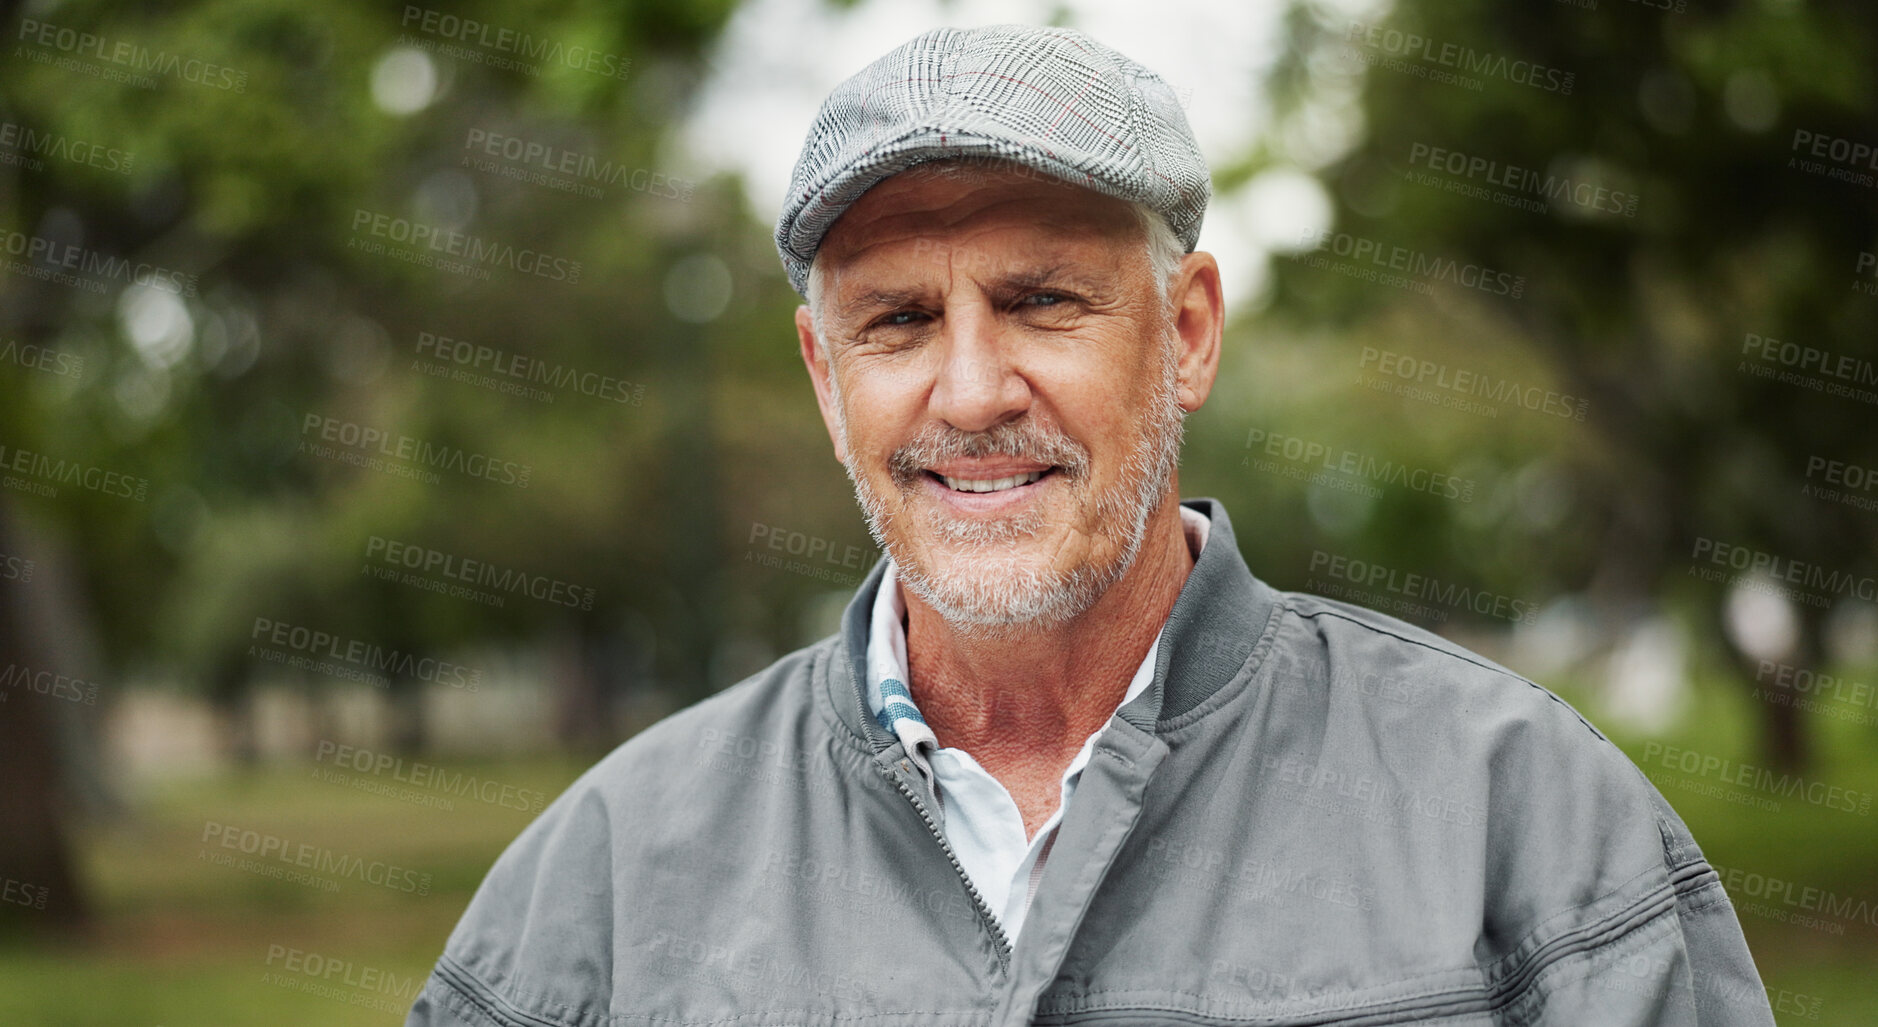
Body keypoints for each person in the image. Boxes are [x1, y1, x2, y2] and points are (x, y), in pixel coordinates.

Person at [408, 23, 1774, 1027]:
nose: (972, 390)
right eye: (895, 321)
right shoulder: (606, 876)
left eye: (1043, 300)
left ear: (1185, 336)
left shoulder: (1522, 816)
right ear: (827, 383)